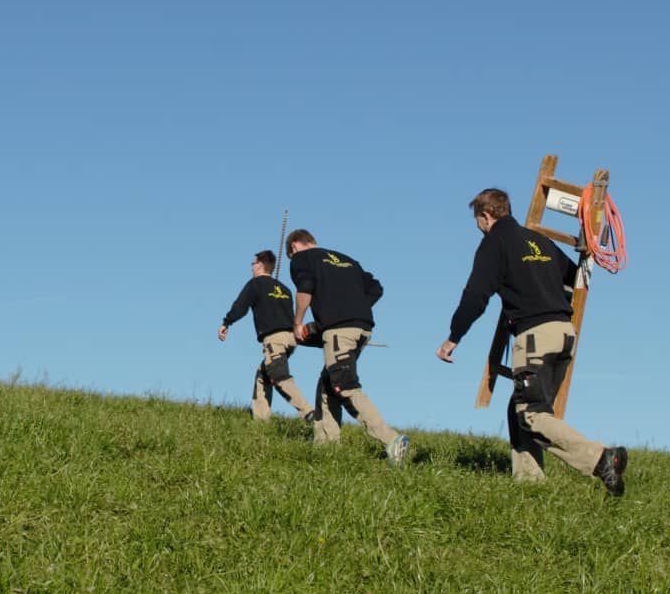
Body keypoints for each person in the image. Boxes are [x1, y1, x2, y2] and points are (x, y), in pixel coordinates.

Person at [437, 188, 627, 495]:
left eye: (478, 221)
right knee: (520, 409)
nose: (479, 227)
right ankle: (530, 485)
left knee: (531, 414)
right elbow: (574, 277)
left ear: (486, 215)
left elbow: (476, 295)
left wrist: (453, 337)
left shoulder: (494, 243)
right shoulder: (539, 241)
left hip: (535, 338)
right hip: (564, 335)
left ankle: (600, 457)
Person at [287, 229, 409, 465]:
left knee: (343, 385)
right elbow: (376, 288)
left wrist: (298, 323)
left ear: (294, 247)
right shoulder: (347, 260)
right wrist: (354, 307)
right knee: (328, 382)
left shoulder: (302, 258)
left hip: (340, 330)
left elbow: (305, 288)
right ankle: (326, 447)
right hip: (362, 327)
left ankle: (391, 439)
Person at [218, 250, 316, 422]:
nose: (252, 266)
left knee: (279, 376)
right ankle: (261, 421)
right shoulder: (285, 289)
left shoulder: (255, 284)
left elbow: (240, 306)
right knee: (263, 375)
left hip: (274, 339)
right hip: (290, 339)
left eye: (253, 263)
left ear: (260, 265)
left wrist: (227, 322)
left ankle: (309, 412)